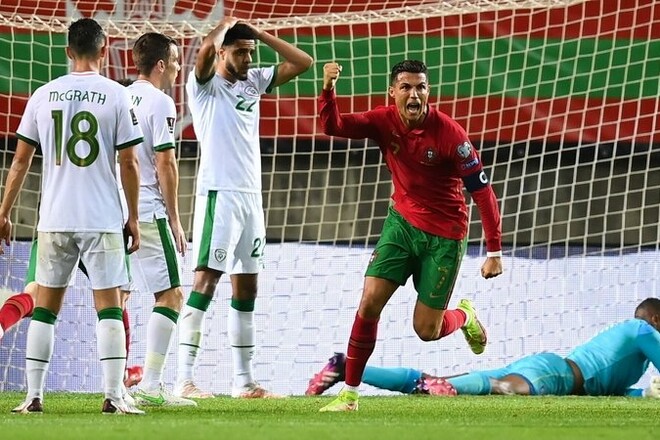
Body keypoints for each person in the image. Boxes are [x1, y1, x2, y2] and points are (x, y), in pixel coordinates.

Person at [317, 60, 503, 411]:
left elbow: (482, 192)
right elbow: (333, 125)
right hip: (401, 224)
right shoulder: (382, 121)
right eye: (406, 87)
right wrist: (328, 88)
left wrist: (494, 251)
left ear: (428, 92)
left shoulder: (451, 136)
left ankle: (464, 316)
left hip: (444, 236)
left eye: (421, 87)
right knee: (369, 301)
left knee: (426, 330)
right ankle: (350, 396)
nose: (414, 94)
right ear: (393, 92)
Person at [0, 18, 143, 414]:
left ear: (67, 51)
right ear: (104, 49)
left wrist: (4, 212)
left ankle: (33, 396)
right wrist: (133, 217)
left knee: (45, 307)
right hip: (101, 217)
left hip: (55, 217)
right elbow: (129, 162)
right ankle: (113, 396)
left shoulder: (43, 95)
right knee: (109, 306)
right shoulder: (117, 95)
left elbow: (20, 161)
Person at [175, 18, 313, 399]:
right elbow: (204, 51)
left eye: (250, 53)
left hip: (251, 197)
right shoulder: (204, 87)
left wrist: (260, 35)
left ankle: (244, 382)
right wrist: (226, 24)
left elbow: (303, 62)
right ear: (223, 52)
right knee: (206, 282)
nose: (248, 59)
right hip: (219, 195)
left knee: (247, 286)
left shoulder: (254, 81)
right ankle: (183, 379)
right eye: (240, 52)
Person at [307, 298, 660, 399]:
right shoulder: (641, 329)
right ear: (657, 320)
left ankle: (346, 366)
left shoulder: (636, 352)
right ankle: (443, 387)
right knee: (505, 388)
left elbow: (614, 389)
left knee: (431, 383)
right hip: (558, 375)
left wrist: (644, 395)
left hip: (548, 368)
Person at [122, 32, 195, 407]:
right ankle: (151, 384)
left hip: (114, 210)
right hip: (148, 209)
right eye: (177, 60)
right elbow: (165, 162)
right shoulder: (161, 102)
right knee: (171, 295)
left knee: (115, 296)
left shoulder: (119, 96)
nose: (180, 68)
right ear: (161, 64)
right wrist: (176, 219)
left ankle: (115, 387)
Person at [0, 240, 143, 389]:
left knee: (35, 295)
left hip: (56, 230)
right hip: (99, 233)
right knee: (116, 300)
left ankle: (1, 325)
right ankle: (119, 379)